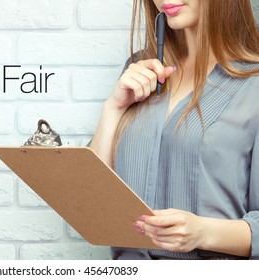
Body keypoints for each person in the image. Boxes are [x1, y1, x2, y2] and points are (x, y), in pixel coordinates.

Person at [89, 0, 259, 260]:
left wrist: (202, 232)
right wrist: (113, 108)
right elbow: (93, 198)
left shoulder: (253, 84)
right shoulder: (139, 69)